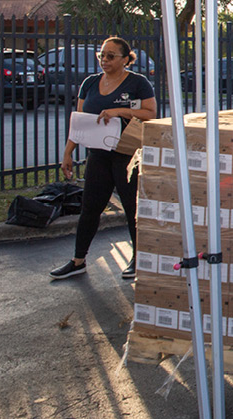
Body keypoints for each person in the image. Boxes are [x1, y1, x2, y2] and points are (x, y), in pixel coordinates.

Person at [51, 37, 156, 281]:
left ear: (125, 58)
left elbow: (151, 113)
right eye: (101, 56)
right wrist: (68, 151)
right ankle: (78, 260)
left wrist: (119, 111)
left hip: (127, 155)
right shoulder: (89, 83)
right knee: (90, 208)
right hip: (98, 155)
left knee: (132, 207)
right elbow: (79, 120)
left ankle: (138, 259)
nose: (104, 60)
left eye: (110, 56)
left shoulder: (138, 83)